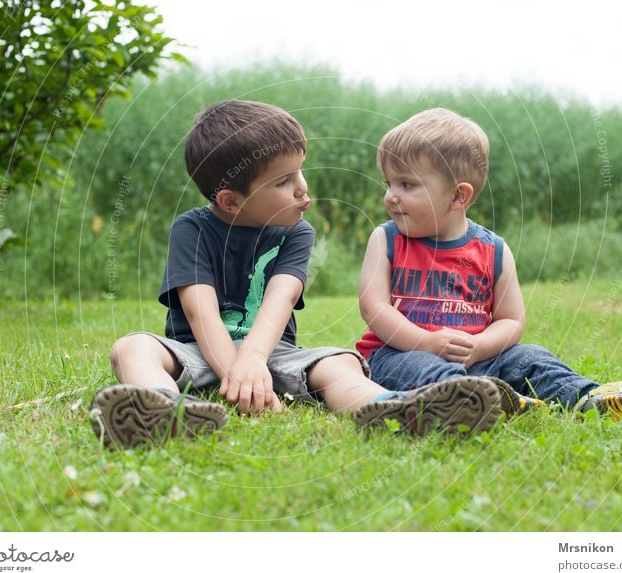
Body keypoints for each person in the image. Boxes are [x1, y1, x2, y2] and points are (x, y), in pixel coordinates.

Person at [89, 100, 503, 448]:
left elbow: (280, 299)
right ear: (232, 201)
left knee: (342, 361)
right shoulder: (191, 229)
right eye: (285, 181)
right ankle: (159, 407)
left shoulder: (297, 232)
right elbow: (200, 313)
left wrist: (254, 362)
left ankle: (393, 408)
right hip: (198, 349)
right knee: (131, 347)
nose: (303, 188)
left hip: (274, 353)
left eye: (300, 172)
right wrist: (237, 372)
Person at [355, 108, 622, 416]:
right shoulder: (387, 240)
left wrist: (481, 346)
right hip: (397, 354)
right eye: (389, 183)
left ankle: (588, 397)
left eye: (407, 184)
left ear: (458, 196)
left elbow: (512, 320)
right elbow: (374, 307)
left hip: (479, 361)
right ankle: (474, 397)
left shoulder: (493, 250)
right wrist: (424, 342)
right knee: (420, 367)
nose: (390, 196)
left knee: (530, 357)